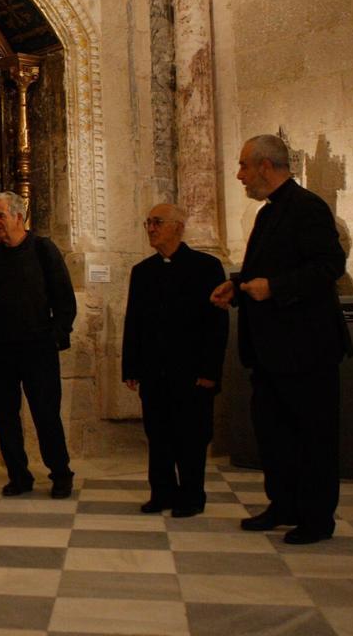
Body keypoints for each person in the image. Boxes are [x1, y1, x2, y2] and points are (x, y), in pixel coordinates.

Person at [210, 134, 352, 545]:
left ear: (266, 166)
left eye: (243, 166)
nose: (239, 176)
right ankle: (284, 504)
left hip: (307, 348)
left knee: (313, 435)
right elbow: (268, 267)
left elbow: (329, 265)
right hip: (271, 351)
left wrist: (273, 287)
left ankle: (316, 518)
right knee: (275, 434)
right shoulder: (268, 214)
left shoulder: (307, 207)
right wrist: (237, 286)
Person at [123, 203, 228, 518]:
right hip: (155, 371)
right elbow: (134, 323)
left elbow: (216, 325)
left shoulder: (206, 267)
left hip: (192, 372)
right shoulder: (142, 272)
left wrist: (210, 371)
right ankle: (162, 492)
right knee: (158, 435)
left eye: (157, 222)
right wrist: (131, 367)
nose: (151, 228)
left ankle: (192, 496)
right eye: (148, 222)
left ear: (178, 227)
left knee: (192, 437)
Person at [0, 191, 76, 498]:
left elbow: (64, 299)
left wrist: (55, 335)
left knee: (46, 413)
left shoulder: (44, 250)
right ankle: (18, 475)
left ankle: (60, 473)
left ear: (19, 217)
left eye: (0, 216)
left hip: (37, 348)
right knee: (4, 416)